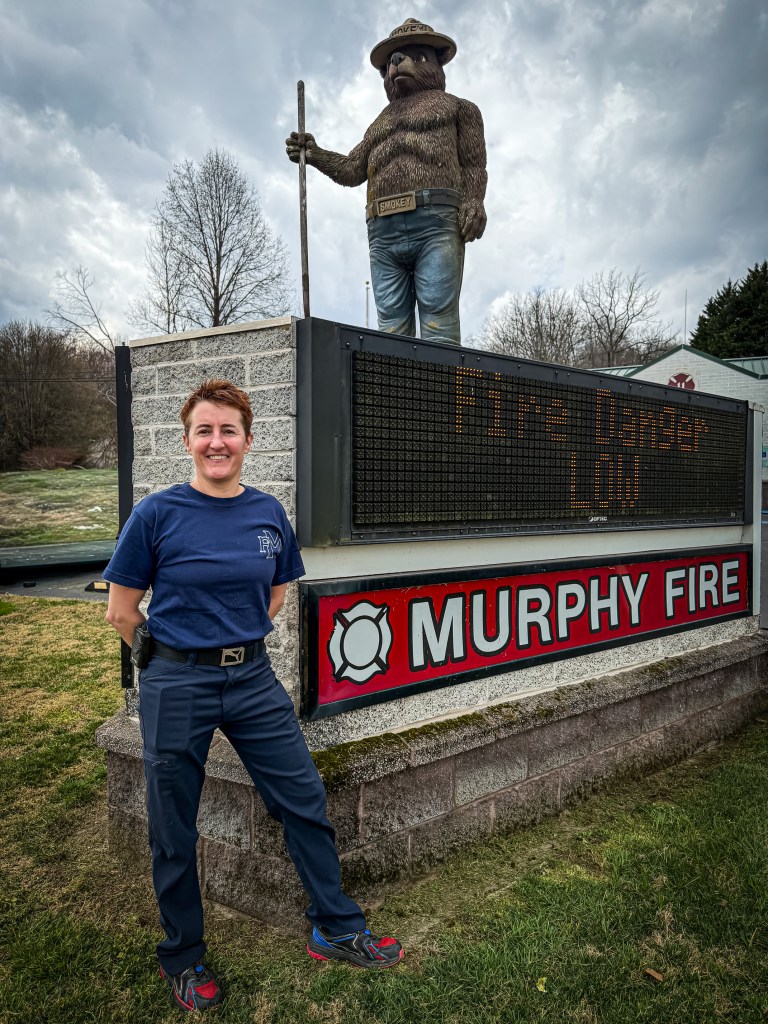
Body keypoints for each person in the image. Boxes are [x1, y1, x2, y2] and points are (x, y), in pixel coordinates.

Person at [103, 378, 402, 1013]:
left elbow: (274, 594)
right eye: (205, 430)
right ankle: (183, 957)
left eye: (229, 430)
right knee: (172, 826)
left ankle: (336, 928)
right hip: (176, 680)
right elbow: (122, 612)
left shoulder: (268, 512)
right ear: (187, 441)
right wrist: (165, 661)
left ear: (248, 440)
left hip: (252, 679)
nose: (217, 442)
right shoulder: (156, 514)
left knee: (304, 799)